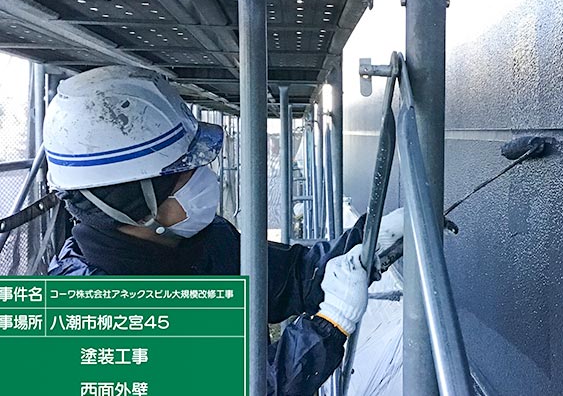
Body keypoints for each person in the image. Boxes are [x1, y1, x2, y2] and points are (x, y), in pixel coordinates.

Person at [43, 66, 404, 395]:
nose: (205, 177)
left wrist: (369, 240)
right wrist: (328, 325)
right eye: (186, 170)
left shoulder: (199, 242)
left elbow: (291, 277)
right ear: (137, 201)